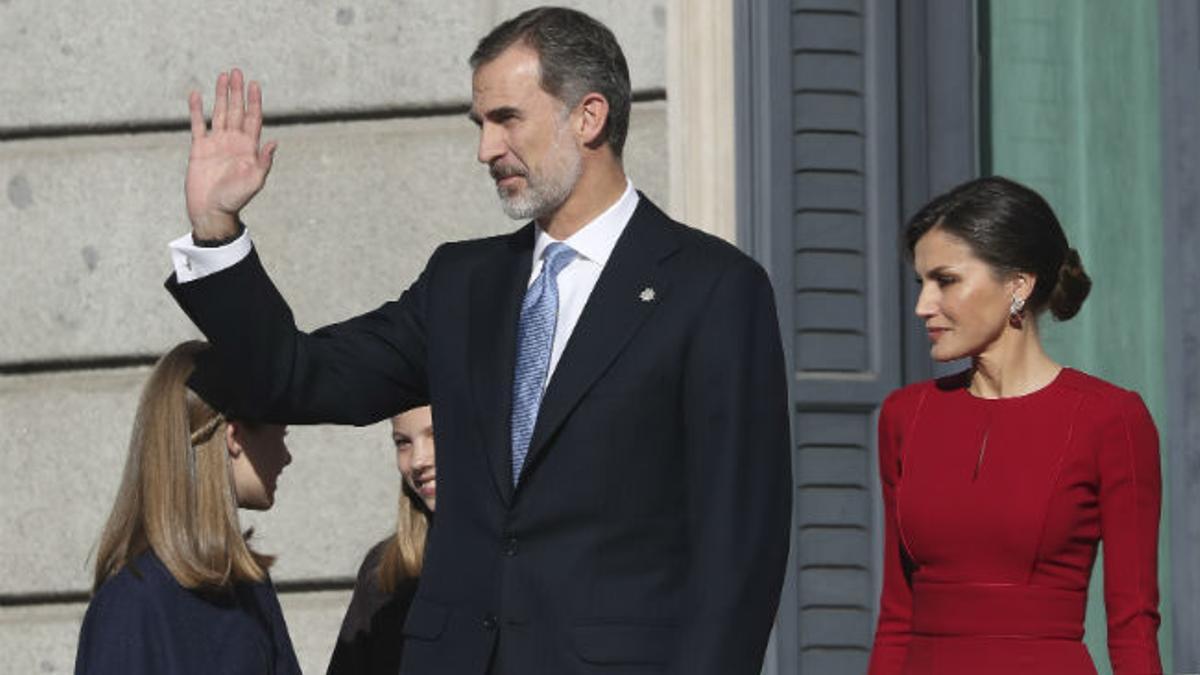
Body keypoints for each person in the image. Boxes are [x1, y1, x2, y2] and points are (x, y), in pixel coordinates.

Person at [165, 7, 792, 675]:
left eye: (507, 119)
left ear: (589, 117)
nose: (486, 149)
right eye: (480, 124)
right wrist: (217, 231)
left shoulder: (712, 290)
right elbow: (298, 375)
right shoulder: (462, 285)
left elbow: (739, 551)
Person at [867, 176, 1162, 675]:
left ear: (1017, 285)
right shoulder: (905, 415)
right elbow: (897, 615)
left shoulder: (1111, 419)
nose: (923, 305)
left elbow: (1133, 626)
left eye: (946, 280)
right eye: (921, 283)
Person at [74, 341, 300, 675]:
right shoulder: (130, 606)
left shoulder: (250, 586)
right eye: (280, 434)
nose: (286, 456)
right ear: (234, 437)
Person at [328, 405, 435, 675]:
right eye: (403, 443)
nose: (418, 461)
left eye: (436, 435)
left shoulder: (523, 557)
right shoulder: (385, 567)